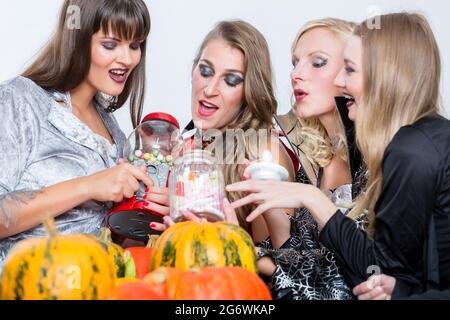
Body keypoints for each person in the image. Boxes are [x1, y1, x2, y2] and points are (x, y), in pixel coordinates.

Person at [227, 12, 450, 299]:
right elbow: (392, 275)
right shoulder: (324, 158)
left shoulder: (404, 148)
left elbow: (369, 270)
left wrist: (247, 253)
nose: (296, 74)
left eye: (320, 63)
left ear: (383, 74)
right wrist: (268, 215)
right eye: (295, 62)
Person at [0, 0, 166, 266]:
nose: (127, 59)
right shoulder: (20, 100)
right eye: (110, 45)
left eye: (134, 45)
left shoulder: (116, 135)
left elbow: (116, 247)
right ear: (77, 40)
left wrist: (147, 214)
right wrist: (88, 186)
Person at [150, 20, 295, 246]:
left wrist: (196, 223)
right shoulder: (180, 146)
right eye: (206, 71)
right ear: (193, 69)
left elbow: (277, 265)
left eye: (231, 80)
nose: (209, 89)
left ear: (249, 91)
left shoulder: (263, 150)